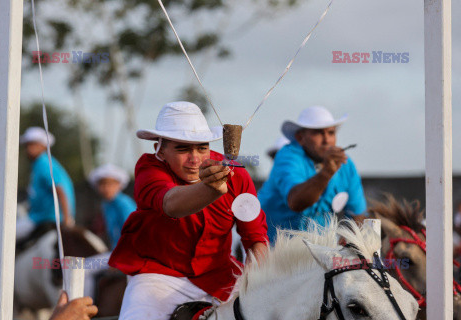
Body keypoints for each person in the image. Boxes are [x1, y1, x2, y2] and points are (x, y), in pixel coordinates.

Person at [109, 101, 268, 320]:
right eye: (182, 149)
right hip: (157, 276)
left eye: (202, 147)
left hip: (221, 278)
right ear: (160, 150)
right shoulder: (149, 169)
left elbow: (255, 238)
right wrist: (211, 189)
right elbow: (171, 205)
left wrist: (256, 284)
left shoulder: (237, 174)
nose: (194, 159)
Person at [258, 106, 366, 242]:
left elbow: (357, 214)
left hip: (319, 252)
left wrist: (347, 241)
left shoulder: (346, 165)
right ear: (300, 138)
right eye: (318, 133)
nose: (326, 140)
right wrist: (327, 173)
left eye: (331, 133)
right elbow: (296, 202)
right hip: (273, 249)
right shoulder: (288, 156)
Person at [17, 127, 76, 241]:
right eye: (27, 145)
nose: (29, 148)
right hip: (40, 215)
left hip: (44, 217)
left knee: (4, 234)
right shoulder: (40, 163)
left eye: (33, 144)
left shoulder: (44, 163)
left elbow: (60, 191)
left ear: (44, 146)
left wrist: (67, 219)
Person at [88, 164, 135, 249]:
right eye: (102, 184)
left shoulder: (124, 203)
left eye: (110, 184)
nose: (106, 188)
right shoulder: (105, 205)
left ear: (119, 185)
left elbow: (132, 230)